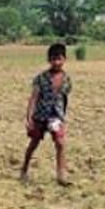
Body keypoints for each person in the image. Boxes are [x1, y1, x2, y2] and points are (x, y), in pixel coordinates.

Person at [20, 43, 73, 186]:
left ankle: (61, 175)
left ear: (64, 59)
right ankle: (24, 168)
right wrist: (29, 116)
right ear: (49, 60)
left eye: (59, 59)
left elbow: (64, 99)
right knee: (33, 143)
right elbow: (34, 98)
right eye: (53, 59)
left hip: (56, 116)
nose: (56, 62)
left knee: (60, 143)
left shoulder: (67, 80)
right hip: (40, 116)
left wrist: (63, 118)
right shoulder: (41, 78)